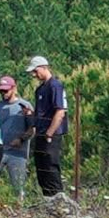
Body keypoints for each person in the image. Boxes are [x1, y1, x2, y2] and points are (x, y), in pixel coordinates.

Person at [28, 56, 69, 197]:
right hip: (40, 133)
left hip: (50, 134)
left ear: (44, 67)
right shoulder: (40, 90)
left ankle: (58, 200)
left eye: (35, 71)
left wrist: (50, 133)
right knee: (42, 169)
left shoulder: (55, 86)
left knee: (50, 167)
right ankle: (47, 199)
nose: (34, 75)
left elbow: (60, 111)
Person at [0, 75, 35, 198]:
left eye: (6, 90)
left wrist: (21, 139)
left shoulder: (25, 106)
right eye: (1, 91)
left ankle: (20, 210)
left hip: (18, 153)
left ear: (14, 88)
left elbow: (32, 129)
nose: (3, 93)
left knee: (18, 187)